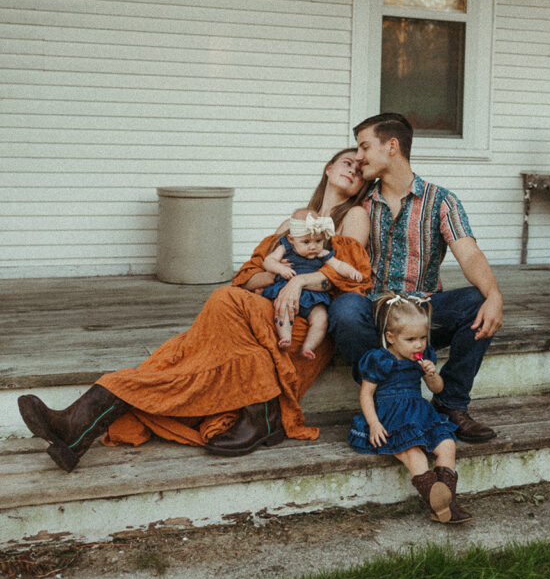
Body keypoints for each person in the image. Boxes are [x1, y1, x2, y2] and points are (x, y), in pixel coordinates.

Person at [17, 149, 372, 472]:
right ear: (327, 168)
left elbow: (349, 279)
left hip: (298, 326)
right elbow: (246, 278)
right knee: (177, 355)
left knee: (221, 302)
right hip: (254, 317)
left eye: (360, 169)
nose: (353, 170)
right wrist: (277, 273)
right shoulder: (289, 225)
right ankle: (74, 430)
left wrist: (297, 283)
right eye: (347, 162)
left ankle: (261, 410)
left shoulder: (353, 215)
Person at [329, 112, 503, 442]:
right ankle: (387, 394)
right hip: (375, 315)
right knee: (345, 311)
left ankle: (450, 404)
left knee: (478, 301)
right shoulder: (361, 203)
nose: (358, 156)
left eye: (365, 147)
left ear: (391, 146)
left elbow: (469, 253)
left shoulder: (441, 201)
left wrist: (494, 295)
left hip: (422, 315)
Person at [348, 292, 471, 524]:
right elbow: (366, 393)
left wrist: (432, 374)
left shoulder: (423, 358)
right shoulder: (379, 359)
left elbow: (437, 389)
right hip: (390, 415)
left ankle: (447, 503)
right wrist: (374, 423)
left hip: (419, 413)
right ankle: (439, 503)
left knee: (446, 445)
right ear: (390, 337)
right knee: (414, 455)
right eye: (411, 339)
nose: (419, 344)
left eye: (423, 338)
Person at [262, 207, 363, 357]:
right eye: (306, 242)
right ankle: (285, 337)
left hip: (313, 297)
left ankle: (308, 347)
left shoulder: (321, 253)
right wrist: (280, 269)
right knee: (283, 310)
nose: (313, 246)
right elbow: (268, 261)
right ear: (292, 239)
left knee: (321, 319)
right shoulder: (285, 248)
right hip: (286, 291)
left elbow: (339, 265)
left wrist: (352, 272)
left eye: (318, 241)